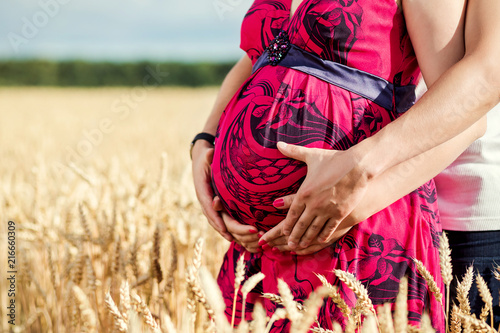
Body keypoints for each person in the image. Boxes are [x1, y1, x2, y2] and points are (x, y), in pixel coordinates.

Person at [191, 0, 499, 331]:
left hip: (372, 224)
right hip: (266, 248)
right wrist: (205, 142)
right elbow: (264, 52)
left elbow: (477, 91)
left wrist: (358, 191)